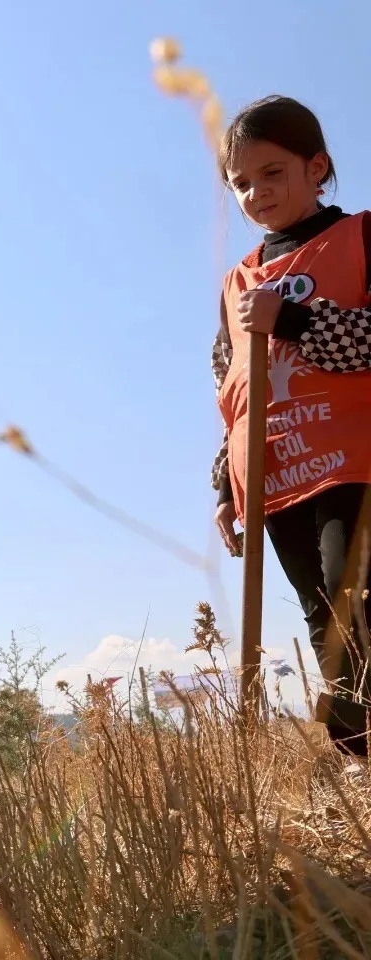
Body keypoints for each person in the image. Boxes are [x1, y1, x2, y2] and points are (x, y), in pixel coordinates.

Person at [210, 95, 371, 762]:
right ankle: (362, 762)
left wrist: (296, 320)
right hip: (275, 477)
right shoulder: (235, 282)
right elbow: (233, 390)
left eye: (272, 173)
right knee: (323, 622)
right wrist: (225, 484)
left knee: (355, 598)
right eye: (241, 182)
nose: (256, 192)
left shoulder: (360, 237)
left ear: (317, 167)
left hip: (351, 458)